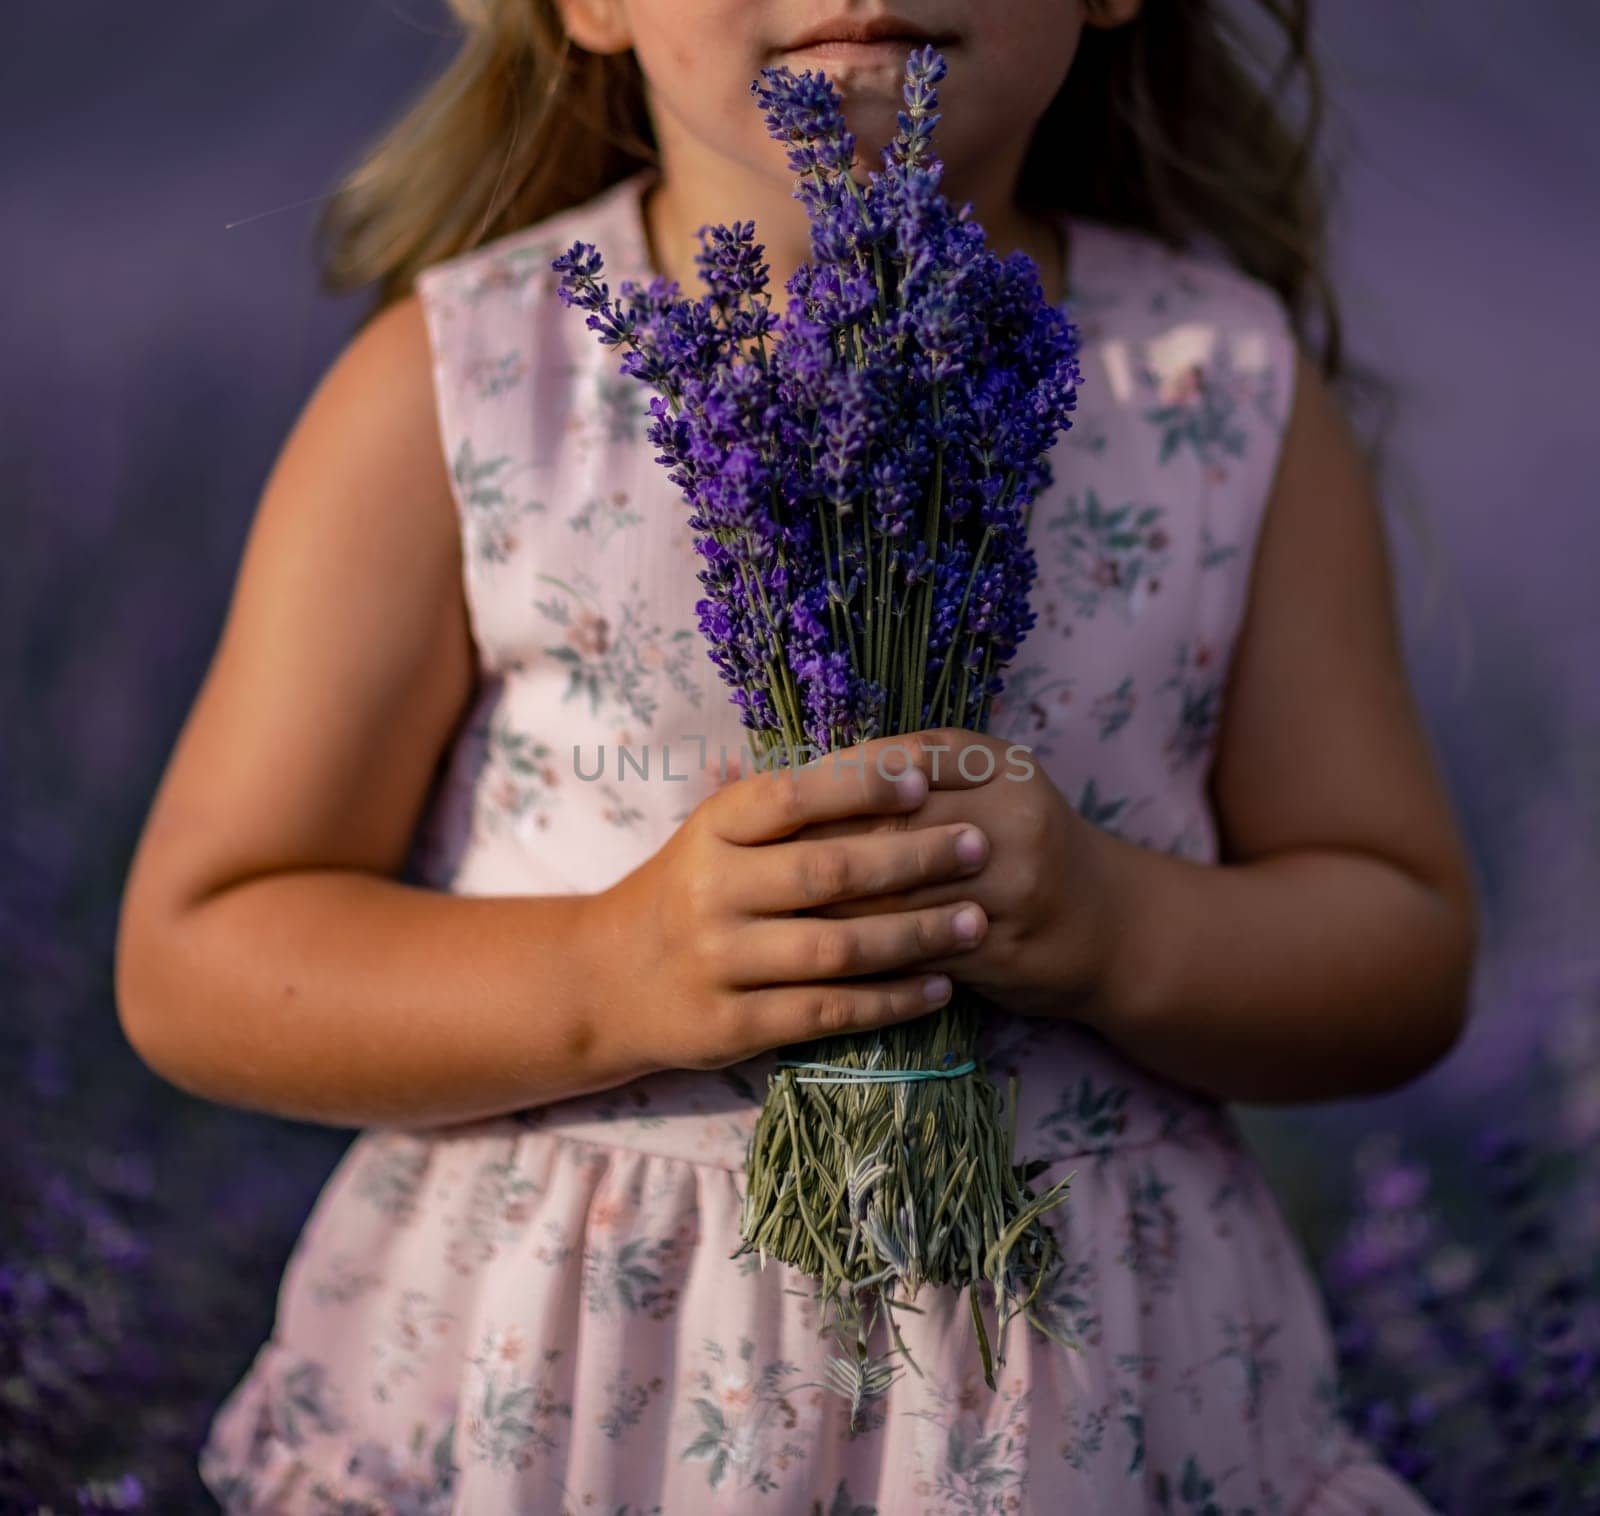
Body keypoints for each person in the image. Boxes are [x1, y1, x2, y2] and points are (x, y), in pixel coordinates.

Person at [114, 1, 1479, 1510]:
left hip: (1087, 1404)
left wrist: (1119, 926)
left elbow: (1398, 948)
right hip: (585, 1397)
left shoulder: (1213, 390)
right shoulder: (472, 390)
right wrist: (606, 973)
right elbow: (203, 950)